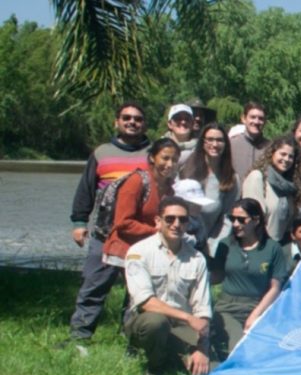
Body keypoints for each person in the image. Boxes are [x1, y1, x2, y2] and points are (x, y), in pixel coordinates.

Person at [64, 101, 151, 346]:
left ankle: (131, 337)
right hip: (105, 233)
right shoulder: (101, 152)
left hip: (140, 236)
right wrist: (79, 222)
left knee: (137, 291)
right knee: (93, 285)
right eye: (126, 118)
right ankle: (80, 336)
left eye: (137, 118)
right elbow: (86, 189)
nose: (132, 122)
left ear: (145, 124)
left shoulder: (154, 154)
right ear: (117, 122)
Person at [122, 197, 212, 375]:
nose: (176, 224)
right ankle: (154, 369)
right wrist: (188, 317)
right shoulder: (138, 252)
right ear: (158, 221)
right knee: (156, 323)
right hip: (147, 322)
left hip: (182, 327)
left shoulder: (197, 258)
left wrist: (202, 348)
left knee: (208, 370)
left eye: (183, 219)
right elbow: (146, 302)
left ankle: (173, 355)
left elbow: (202, 308)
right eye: (170, 219)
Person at [209, 198, 289, 360]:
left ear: (256, 220)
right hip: (227, 307)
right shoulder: (225, 245)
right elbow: (215, 277)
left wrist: (255, 315)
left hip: (259, 307)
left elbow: (275, 287)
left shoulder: (272, 248)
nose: (235, 224)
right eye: (232, 219)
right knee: (239, 349)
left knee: (269, 353)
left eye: (241, 220)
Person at [103, 139, 181, 268]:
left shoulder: (170, 189)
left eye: (174, 160)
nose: (170, 164)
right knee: (96, 287)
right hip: (121, 251)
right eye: (165, 158)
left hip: (147, 251)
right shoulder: (136, 182)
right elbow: (123, 223)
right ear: (152, 158)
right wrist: (157, 231)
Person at [180, 122, 240, 255]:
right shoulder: (185, 163)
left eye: (219, 140)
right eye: (210, 139)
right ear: (202, 142)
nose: (215, 144)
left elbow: (227, 218)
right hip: (177, 240)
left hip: (206, 247)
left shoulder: (230, 178)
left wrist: (213, 245)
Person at [242, 136, 297, 242]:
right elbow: (252, 218)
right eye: (283, 154)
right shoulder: (257, 177)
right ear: (272, 153)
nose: (286, 159)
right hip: (260, 244)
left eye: (291, 156)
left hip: (281, 246)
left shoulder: (289, 186)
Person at [230, 102, 269, 182]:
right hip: (235, 193)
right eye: (252, 117)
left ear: (265, 122)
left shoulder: (270, 147)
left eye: (260, 118)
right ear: (244, 119)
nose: (256, 122)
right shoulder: (231, 144)